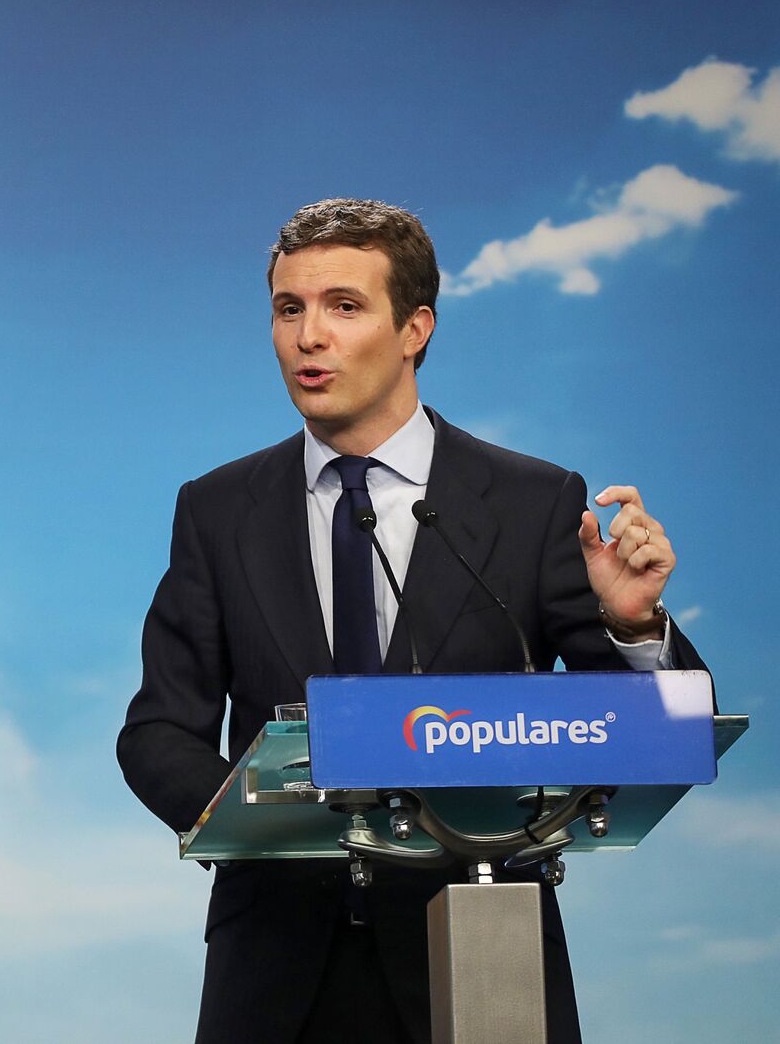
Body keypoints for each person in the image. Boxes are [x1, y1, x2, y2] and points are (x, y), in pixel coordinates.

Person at [115, 199, 703, 1044]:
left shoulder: (535, 502)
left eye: (343, 306)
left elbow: (650, 731)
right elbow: (159, 731)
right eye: (289, 308)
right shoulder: (217, 509)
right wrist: (268, 821)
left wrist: (633, 626)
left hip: (486, 962)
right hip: (276, 972)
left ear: (414, 329)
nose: (309, 336)